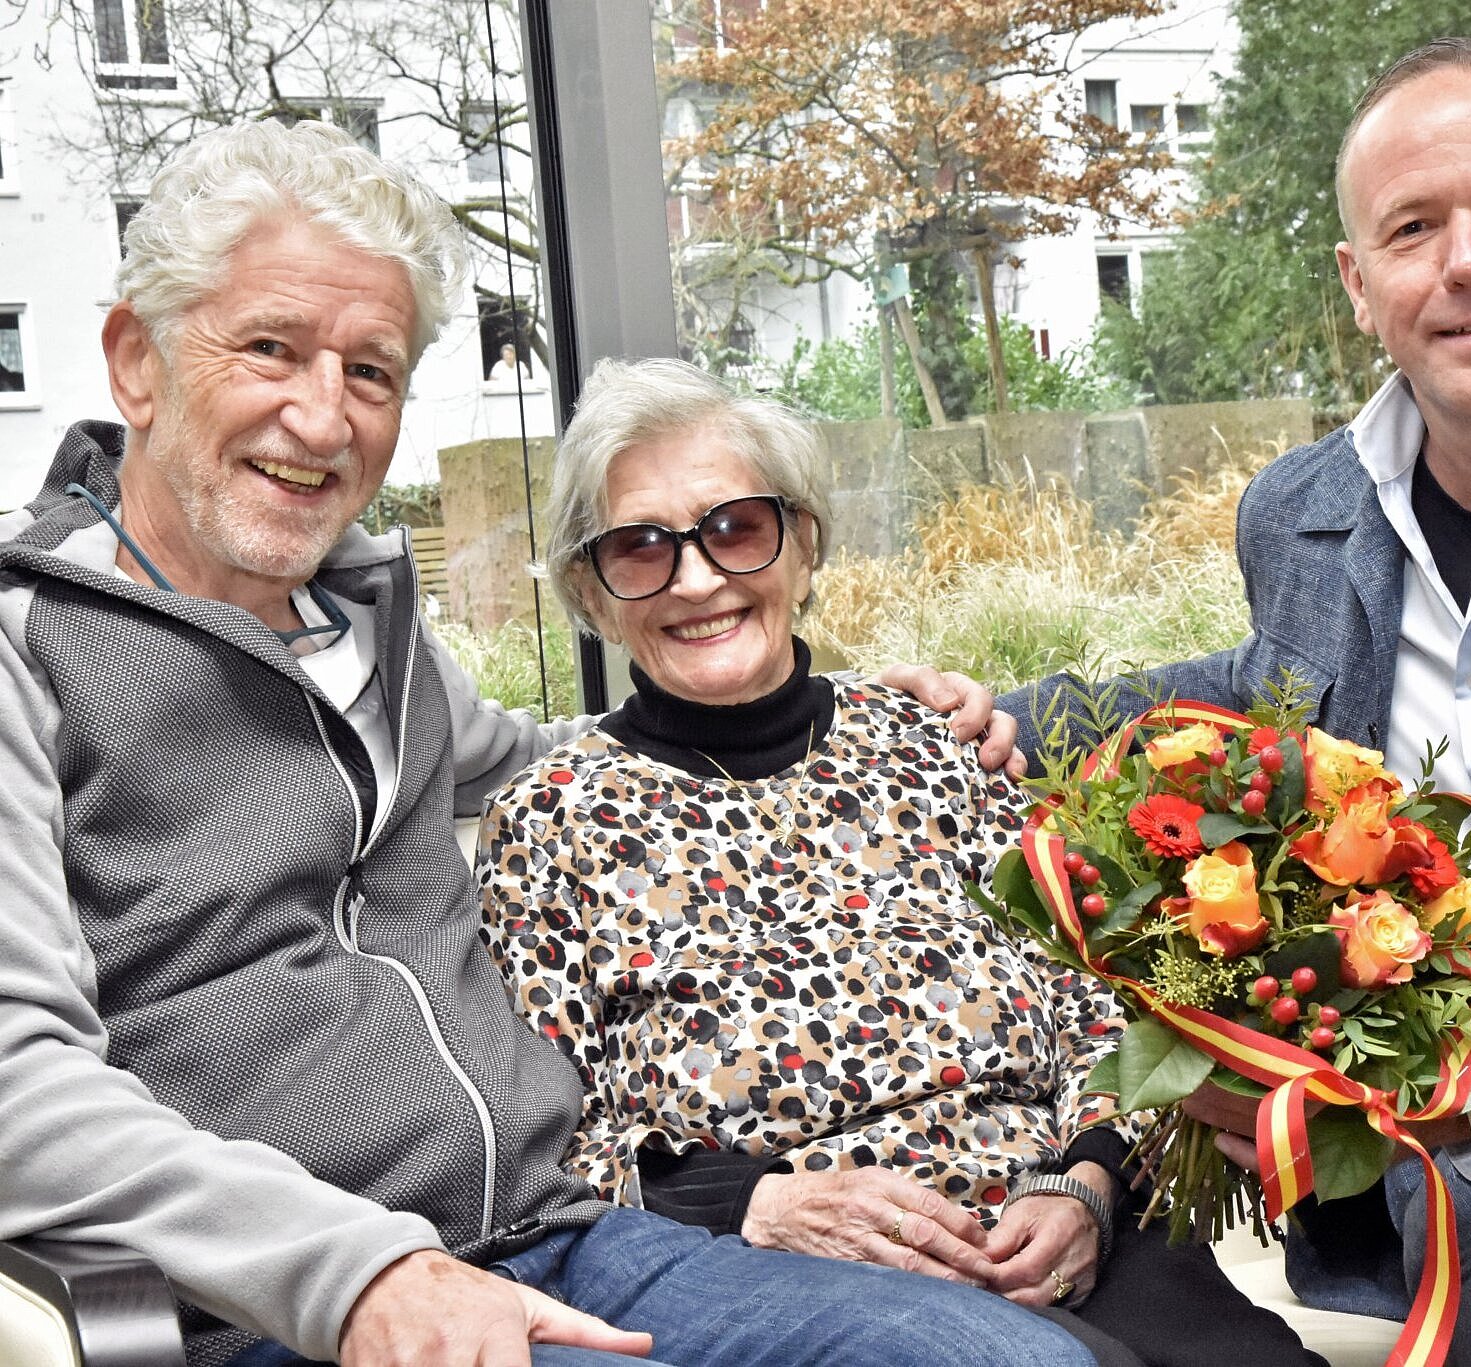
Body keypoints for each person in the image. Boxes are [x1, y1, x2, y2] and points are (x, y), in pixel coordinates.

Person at [0, 117, 1083, 1367]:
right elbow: (19, 1089)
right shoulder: (32, 648)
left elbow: (572, 756)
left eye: (372, 371)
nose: (322, 416)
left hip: (558, 1227)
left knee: (1001, 1359)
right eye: (270, 349)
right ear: (136, 361)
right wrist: (354, 1270)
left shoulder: (369, 633)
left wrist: (829, 708)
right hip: (283, 1303)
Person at [1005, 37, 1471, 1367]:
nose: (1468, 261)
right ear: (1362, 288)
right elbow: (1264, 696)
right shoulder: (1302, 515)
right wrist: (1000, 717)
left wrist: (1455, 1085)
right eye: (1414, 229)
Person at [476, 355, 1326, 1367]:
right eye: (640, 546)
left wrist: (1091, 1180)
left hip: (1068, 1237)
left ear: (802, 544)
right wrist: (757, 1202)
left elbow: (1096, 1009)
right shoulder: (550, 820)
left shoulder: (938, 742)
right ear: (592, 588)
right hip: (789, 1284)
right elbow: (549, 1140)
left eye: (736, 528)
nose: (696, 578)